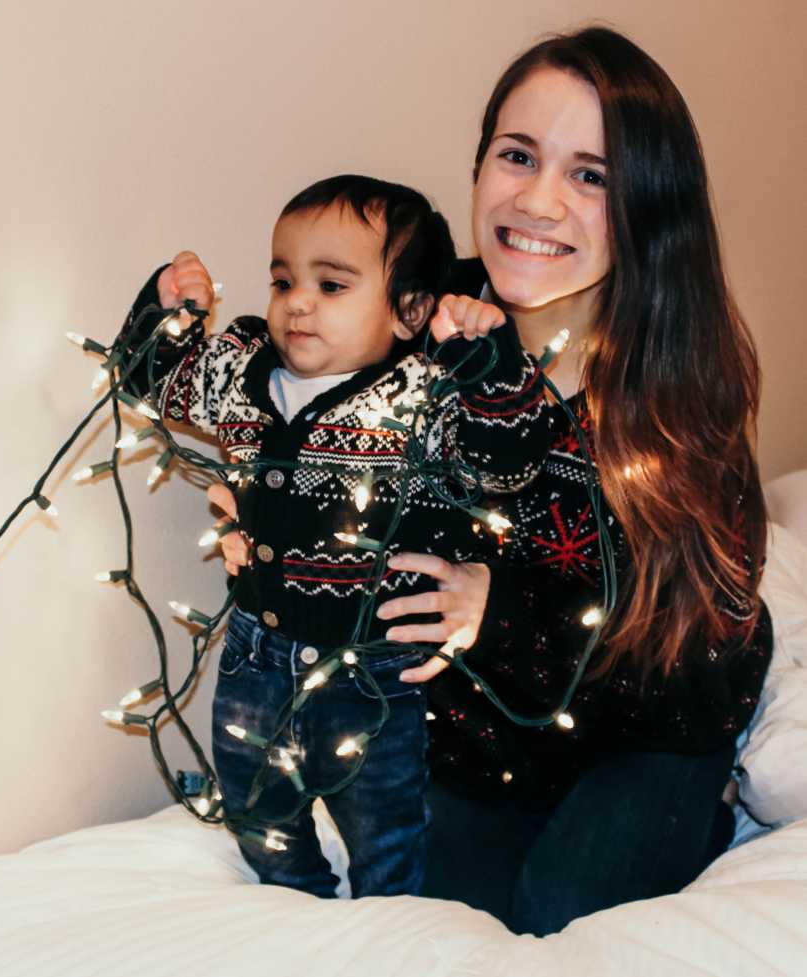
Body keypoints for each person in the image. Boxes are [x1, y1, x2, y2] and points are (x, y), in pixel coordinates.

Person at [214, 27, 774, 935]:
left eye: (591, 174)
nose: (539, 200)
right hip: (474, 748)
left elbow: (709, 669)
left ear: (646, 205)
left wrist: (498, 607)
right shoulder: (413, 328)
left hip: (646, 731)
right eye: (518, 155)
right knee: (441, 928)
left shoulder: (679, 392)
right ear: (479, 167)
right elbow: (286, 377)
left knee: (567, 913)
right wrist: (264, 492)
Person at [117, 174, 553, 900]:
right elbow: (148, 378)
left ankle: (389, 929)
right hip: (257, 656)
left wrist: (488, 361)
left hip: (375, 674)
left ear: (410, 309)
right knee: (255, 803)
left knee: (387, 829)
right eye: (283, 279)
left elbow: (509, 459)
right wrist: (167, 311)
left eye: (333, 284)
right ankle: (304, 905)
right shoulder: (243, 372)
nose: (298, 302)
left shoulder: (422, 393)